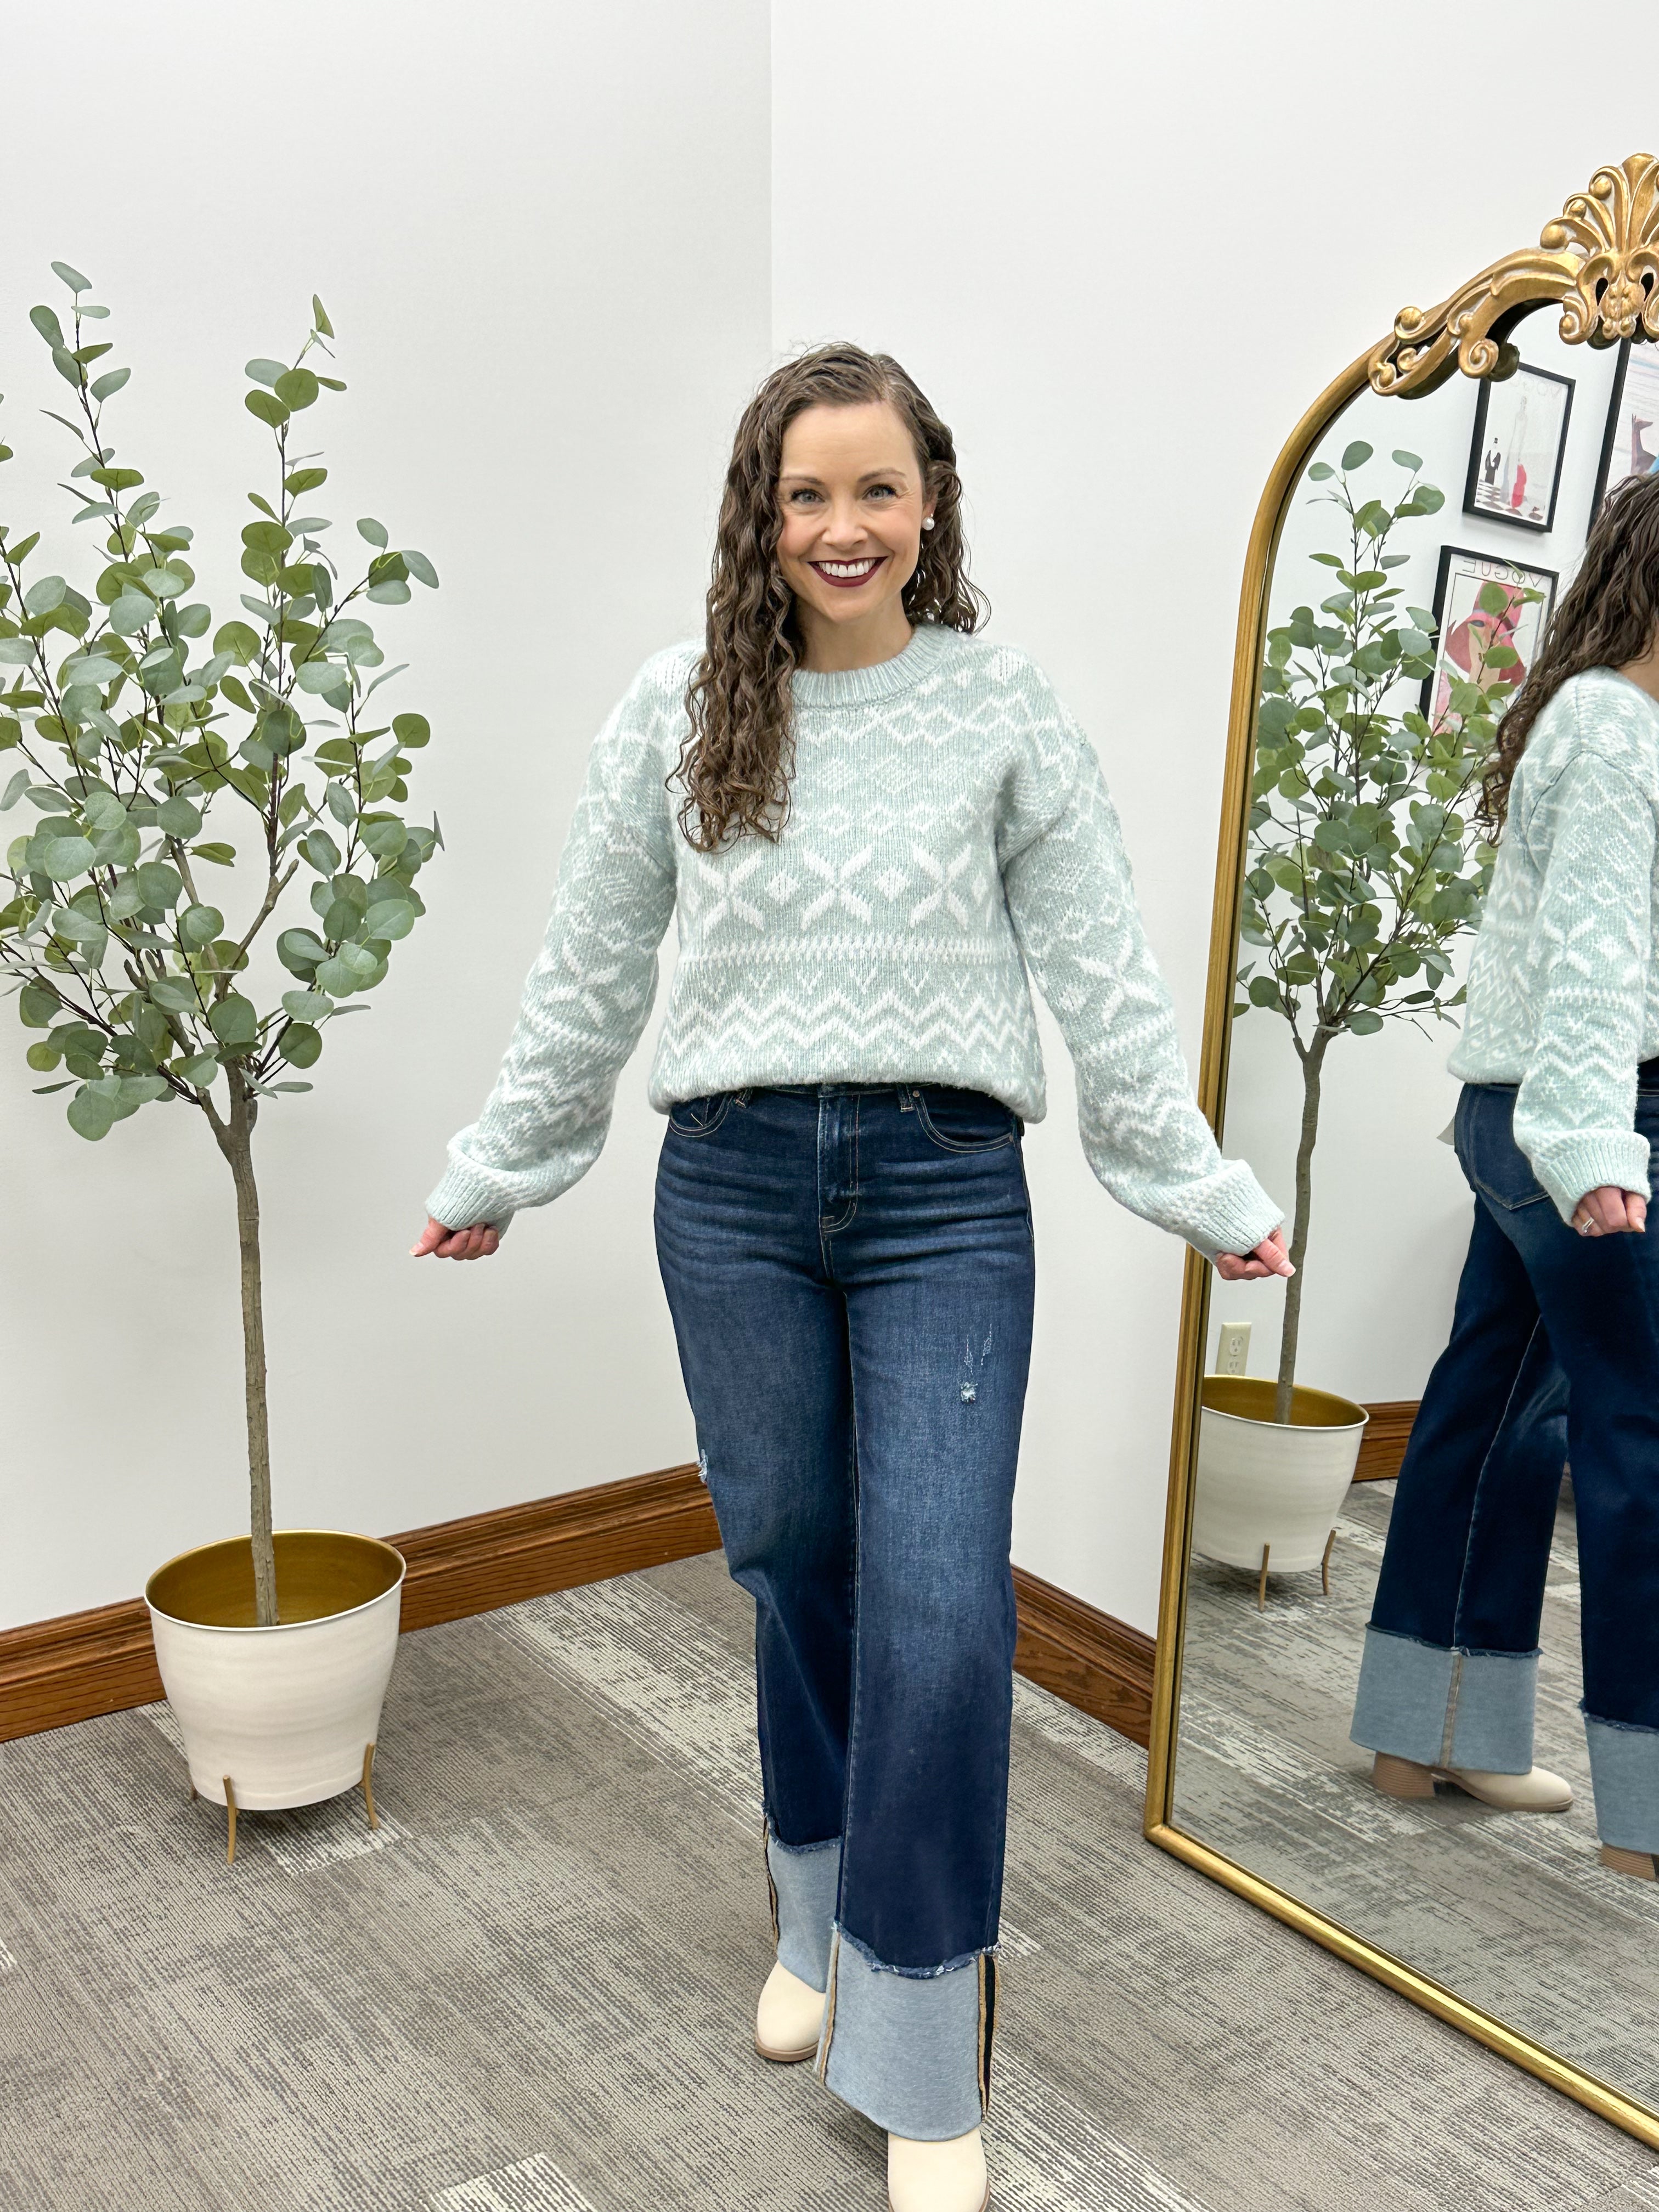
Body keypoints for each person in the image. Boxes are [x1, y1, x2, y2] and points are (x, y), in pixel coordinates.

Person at [414, 343, 1289, 2212]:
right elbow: (587, 967)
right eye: (807, 494)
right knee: (791, 1556)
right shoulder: (677, 710)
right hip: (726, 1187)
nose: (842, 527)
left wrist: (1193, 1181)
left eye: (875, 489)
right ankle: (806, 1899)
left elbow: (1103, 968)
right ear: (762, 513)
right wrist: (505, 1163)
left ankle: (912, 2039)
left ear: (929, 504)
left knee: (942, 1608)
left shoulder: (1004, 709)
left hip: (941, 1194)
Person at [1351, 469, 1659, 1881]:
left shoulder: (1598, 715)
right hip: (1584, 1114)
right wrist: (1598, 1143)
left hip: (1521, 1109)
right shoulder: (1615, 727)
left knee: (1494, 1413)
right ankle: (1648, 1815)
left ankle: (1434, 1733)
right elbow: (1602, 960)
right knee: (1635, 1440)